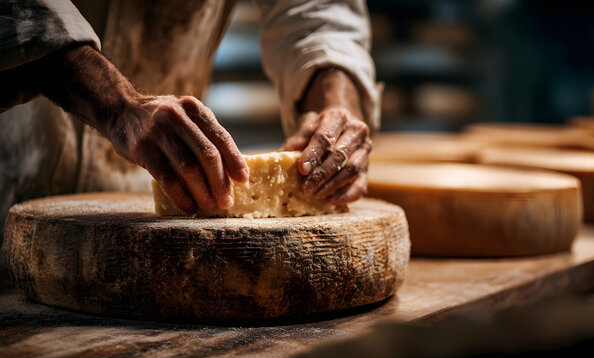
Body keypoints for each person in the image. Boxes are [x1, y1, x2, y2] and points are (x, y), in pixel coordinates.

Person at [0, 0, 381, 267]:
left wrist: (336, 100)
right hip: (11, 182)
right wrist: (115, 104)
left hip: (166, 212)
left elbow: (319, 12)